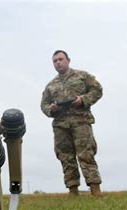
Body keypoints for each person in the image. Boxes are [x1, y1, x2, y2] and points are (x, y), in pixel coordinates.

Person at [40, 50, 103, 196]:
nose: (58, 63)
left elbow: (97, 90)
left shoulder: (83, 76)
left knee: (86, 154)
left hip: (81, 122)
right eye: (55, 61)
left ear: (68, 60)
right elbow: (43, 105)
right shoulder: (51, 85)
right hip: (61, 125)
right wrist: (51, 109)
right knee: (65, 157)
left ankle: (95, 189)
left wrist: (83, 100)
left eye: (60, 59)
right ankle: (73, 190)